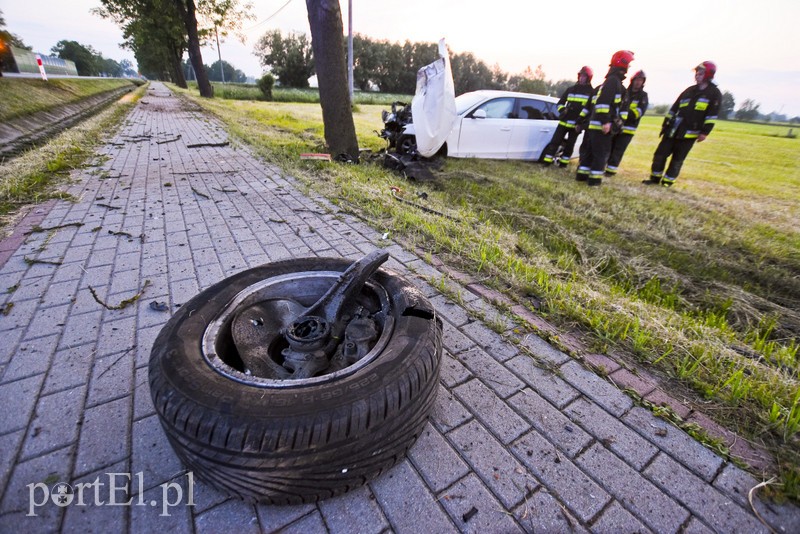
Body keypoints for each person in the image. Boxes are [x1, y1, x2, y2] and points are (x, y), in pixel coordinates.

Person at [646, 61, 721, 187]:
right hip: (673, 129)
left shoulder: (714, 94)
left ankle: (667, 182)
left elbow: (712, 115)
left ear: (708, 74)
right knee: (660, 154)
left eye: (700, 73)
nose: (697, 76)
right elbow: (674, 108)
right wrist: (666, 124)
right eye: (696, 73)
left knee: (677, 159)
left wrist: (705, 132)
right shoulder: (689, 91)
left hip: (690, 133)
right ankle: (654, 178)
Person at [575, 50, 634, 186]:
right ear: (622, 63)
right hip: (602, 126)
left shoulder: (612, 81)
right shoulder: (613, 81)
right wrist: (606, 122)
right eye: (628, 64)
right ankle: (594, 181)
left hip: (595, 125)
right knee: (601, 155)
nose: (628, 67)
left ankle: (582, 176)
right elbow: (603, 103)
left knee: (589, 153)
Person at [541, 66, 594, 167]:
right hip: (564, 121)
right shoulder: (571, 89)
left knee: (570, 145)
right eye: (580, 76)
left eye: (584, 77)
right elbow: (560, 103)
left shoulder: (591, 92)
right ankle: (546, 162)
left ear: (588, 78)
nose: (581, 78)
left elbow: (590, 111)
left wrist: (581, 124)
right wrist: (562, 110)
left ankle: (563, 164)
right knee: (555, 142)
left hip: (576, 124)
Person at [605, 70, 649, 176]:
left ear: (643, 82)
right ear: (632, 80)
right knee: (608, 147)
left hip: (628, 128)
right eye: (637, 80)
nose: (638, 82)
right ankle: (603, 166)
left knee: (618, 150)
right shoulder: (624, 92)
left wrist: (624, 112)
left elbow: (638, 113)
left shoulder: (643, 96)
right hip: (616, 125)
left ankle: (610, 171)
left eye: (640, 80)